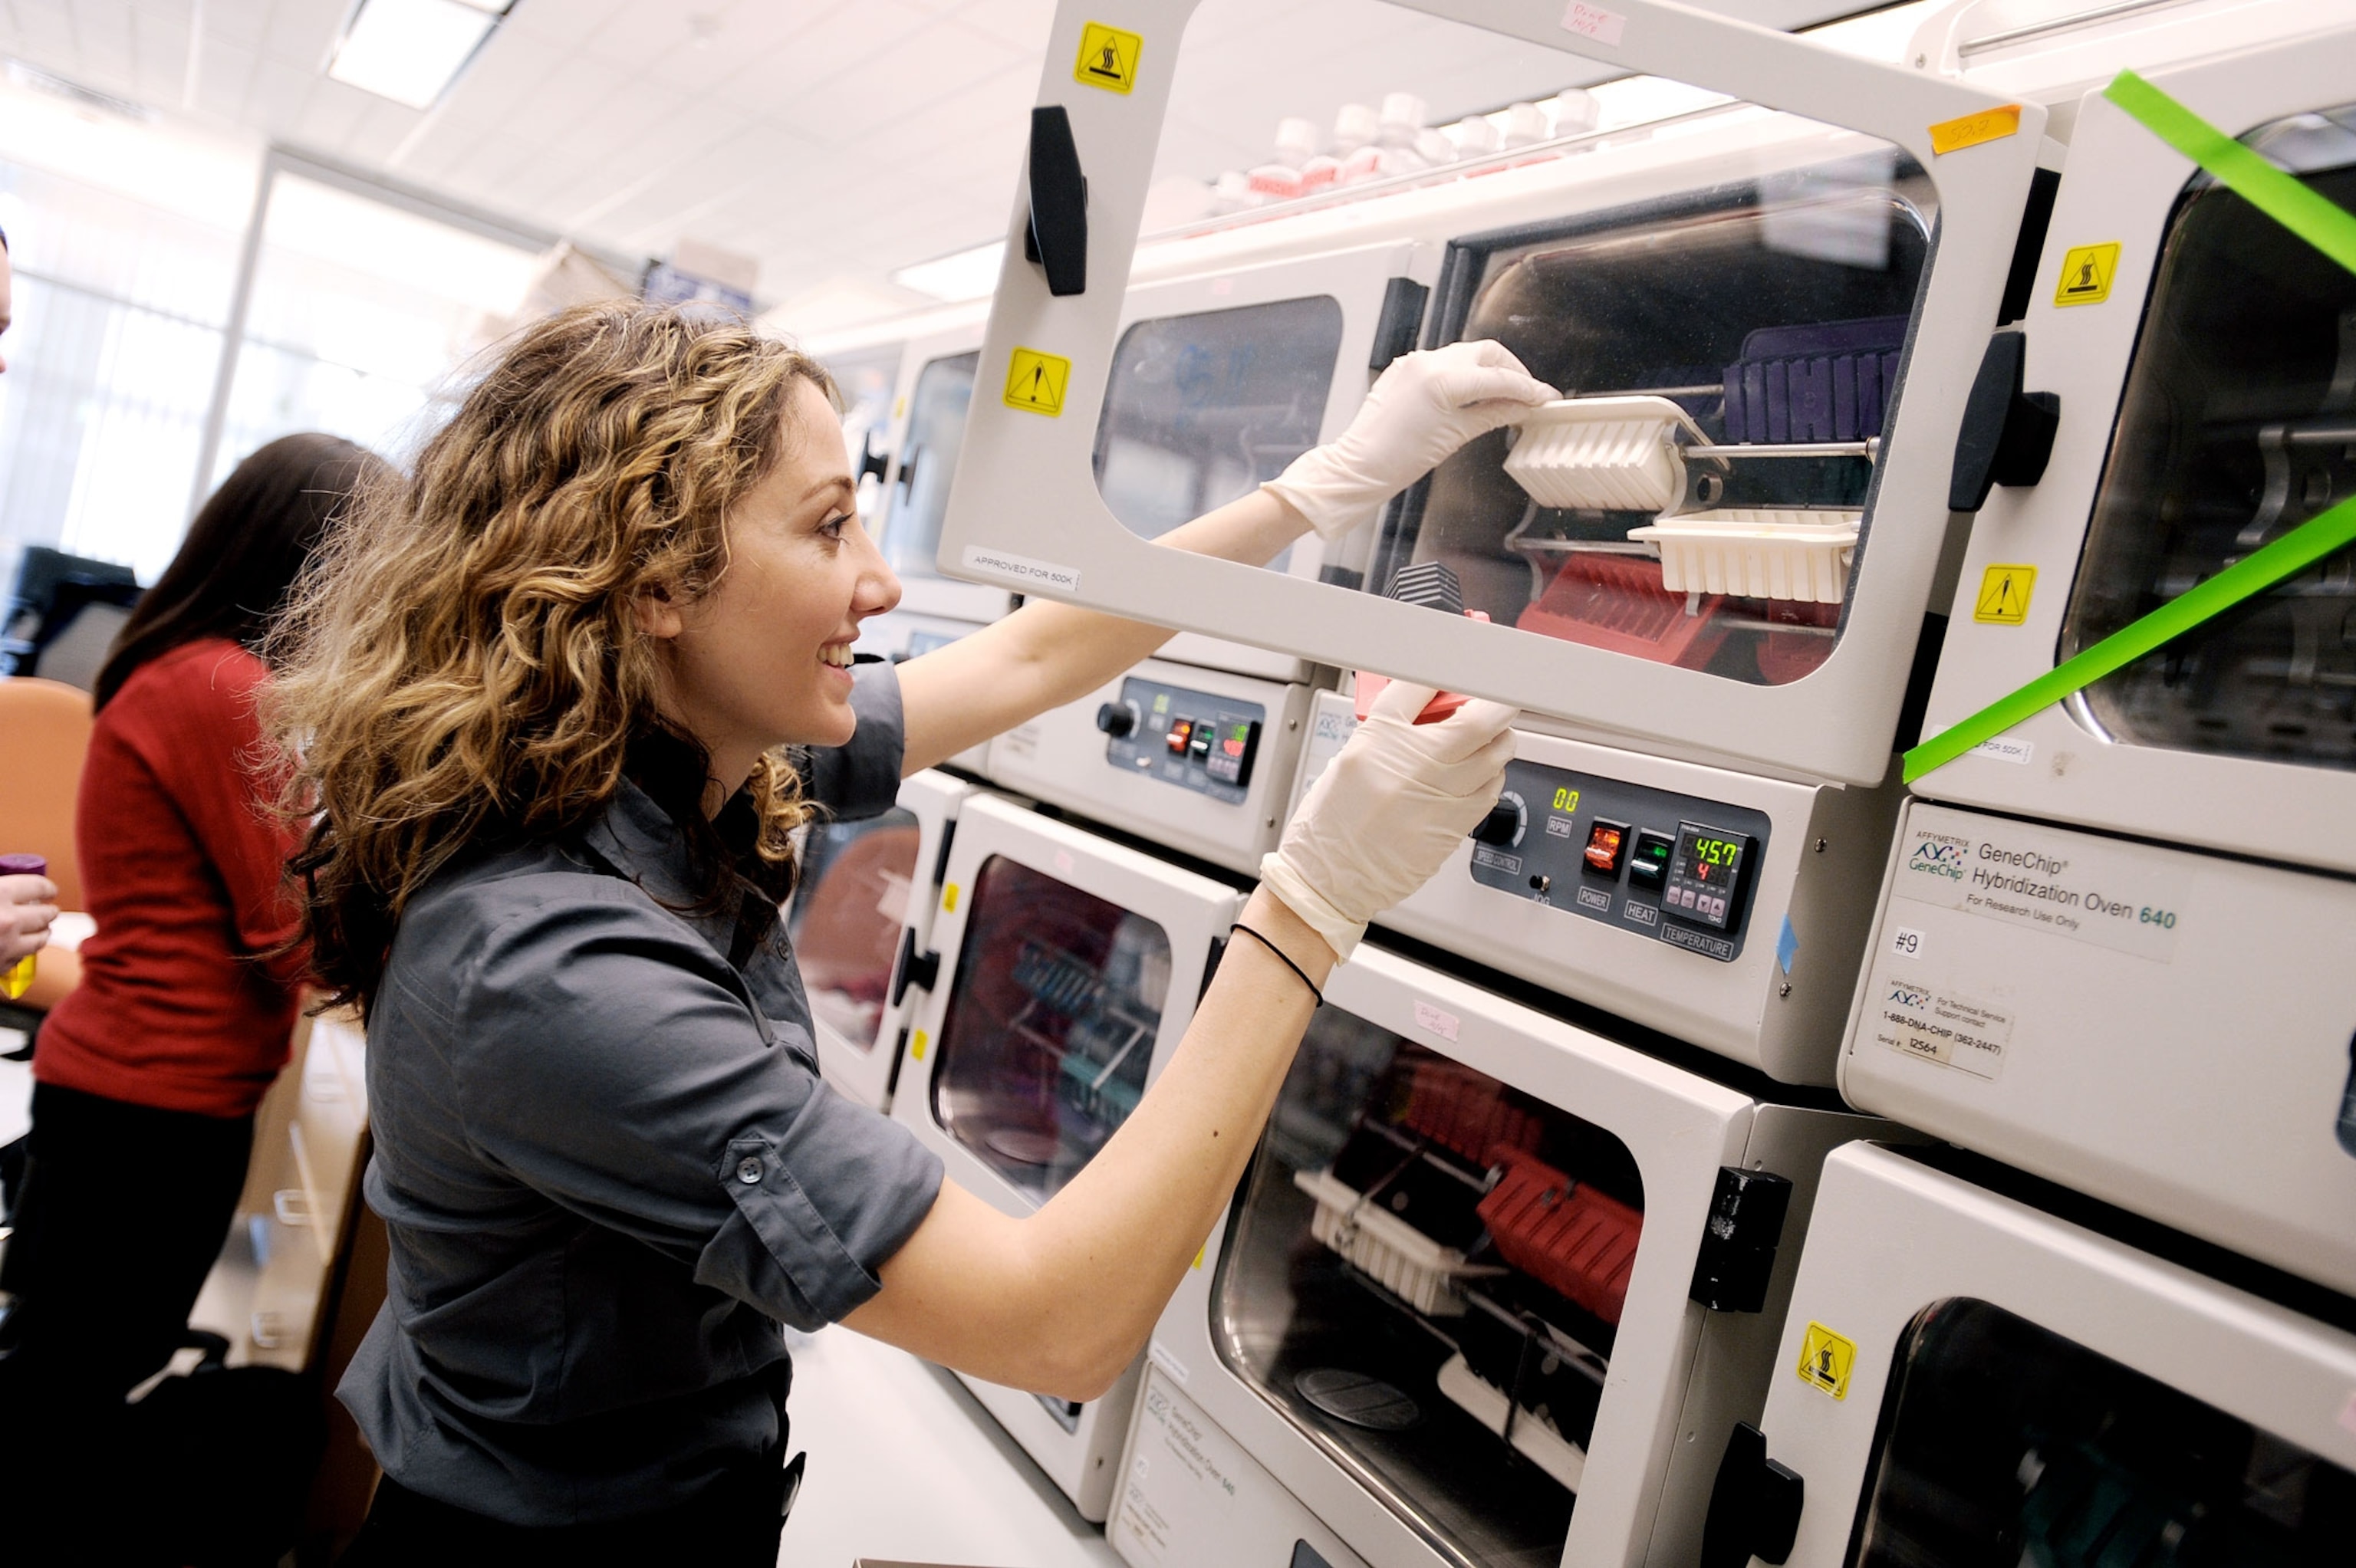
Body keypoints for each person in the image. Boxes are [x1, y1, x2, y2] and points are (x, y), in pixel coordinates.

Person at [265, 302, 1551, 1559]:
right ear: (655, 582)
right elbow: (1058, 1324)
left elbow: (1031, 662)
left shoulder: (662, 766)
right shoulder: (553, 967)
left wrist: (1321, 490)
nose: (879, 580)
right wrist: (1314, 903)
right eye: (828, 528)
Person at [0, 435, 390, 1430]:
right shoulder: (220, 688)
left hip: (143, 1092)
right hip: (150, 1103)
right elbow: (290, 931)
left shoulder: (189, 669)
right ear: (314, 560)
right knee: (71, 1385)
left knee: (70, 1368)